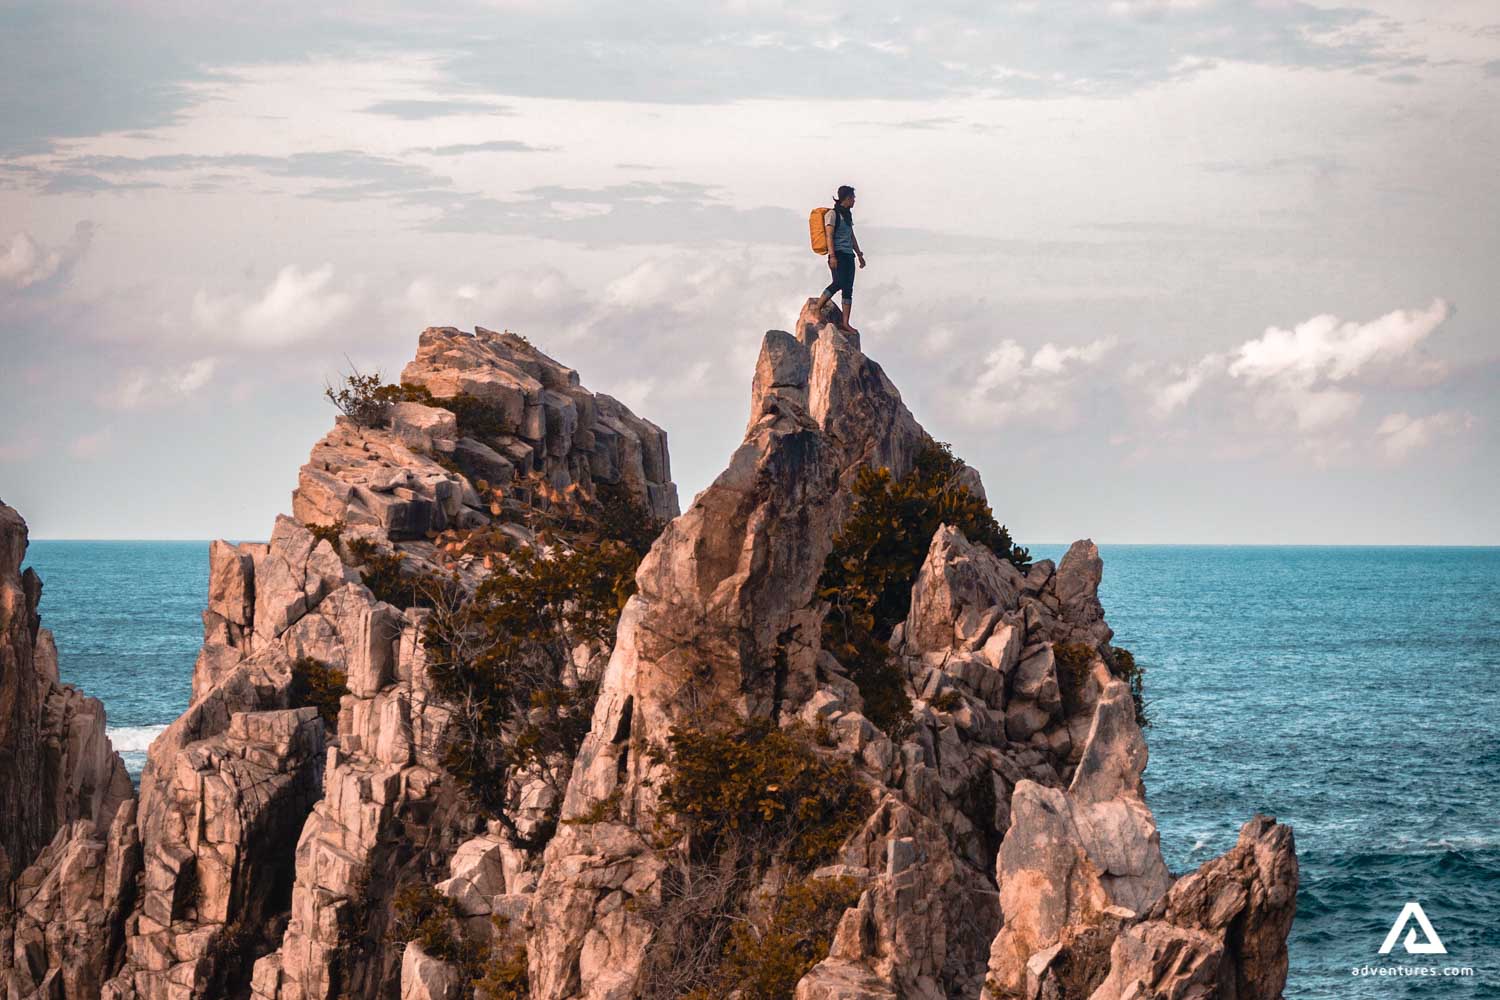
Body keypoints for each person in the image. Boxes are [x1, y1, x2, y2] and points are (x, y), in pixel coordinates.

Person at [815, 185, 865, 334]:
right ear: (847, 198)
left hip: (849, 255)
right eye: (853, 198)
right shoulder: (832, 214)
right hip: (838, 254)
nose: (854, 200)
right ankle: (817, 308)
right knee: (838, 282)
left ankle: (845, 323)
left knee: (848, 288)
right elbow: (829, 236)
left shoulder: (847, 216)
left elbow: (851, 236)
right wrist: (832, 256)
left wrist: (859, 255)